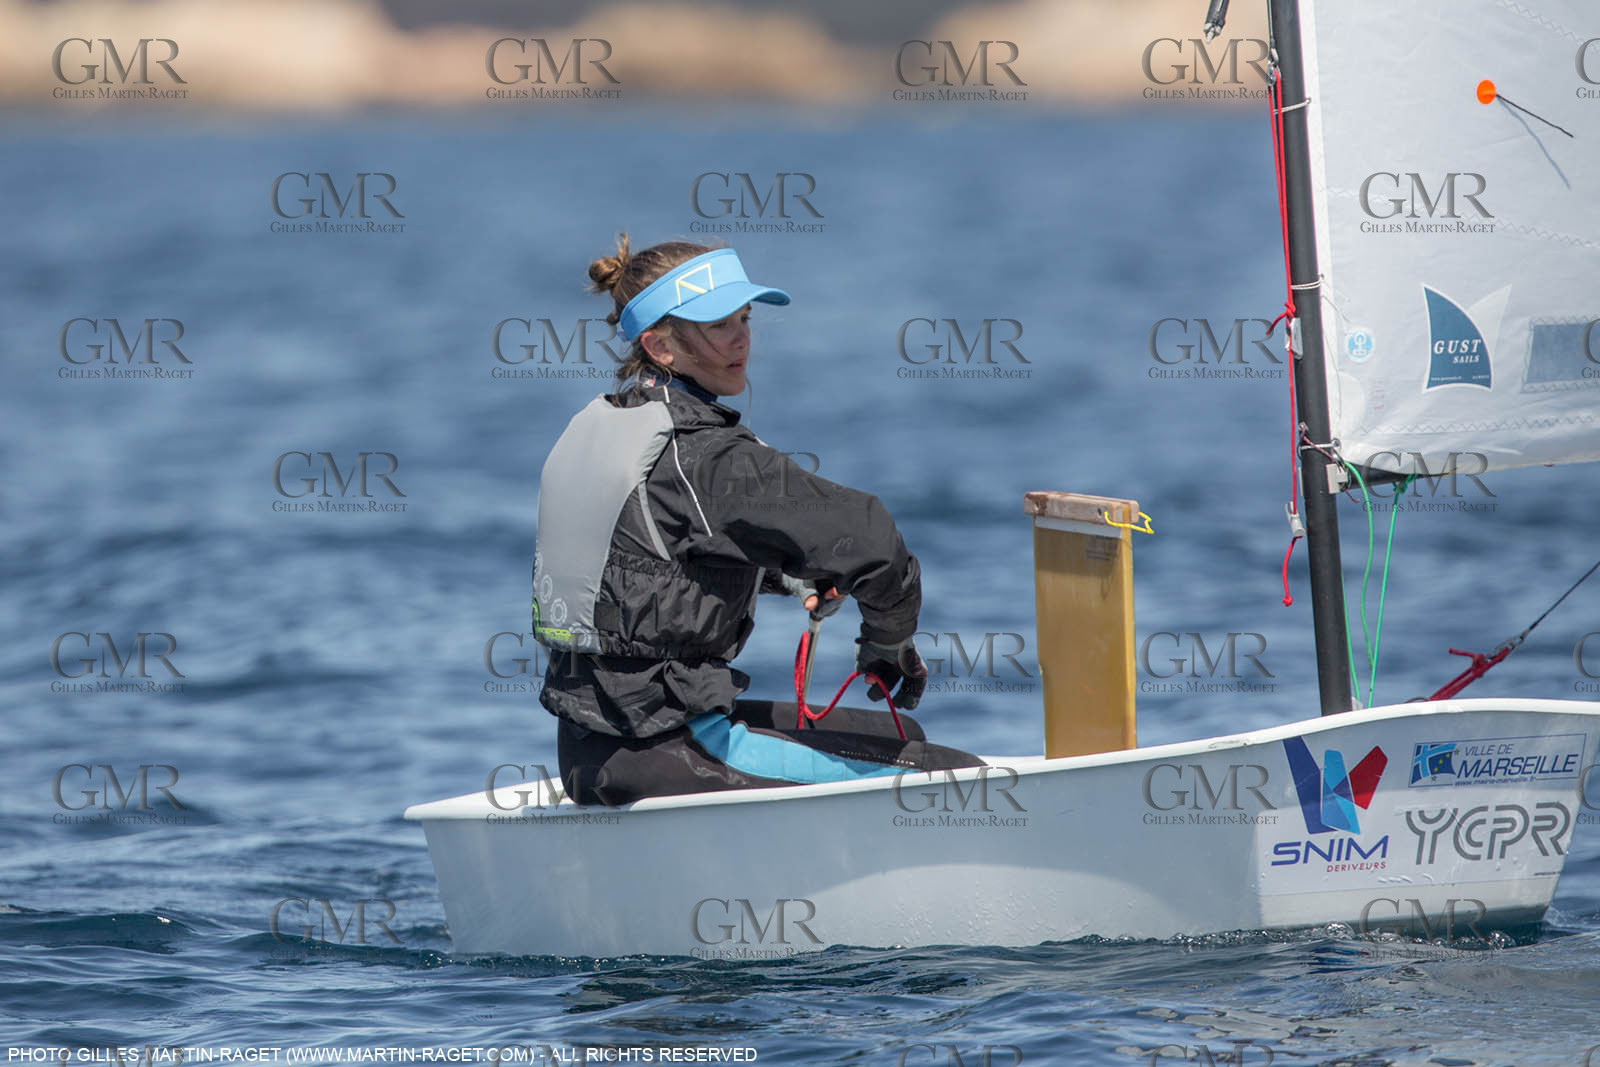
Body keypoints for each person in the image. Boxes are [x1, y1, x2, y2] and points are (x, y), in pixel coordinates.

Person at [532, 234, 983, 805]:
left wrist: (796, 577)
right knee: (957, 780)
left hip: (591, 744)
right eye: (720, 325)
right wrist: (887, 642)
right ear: (660, 346)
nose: (743, 338)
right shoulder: (707, 456)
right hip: (669, 741)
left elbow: (655, 559)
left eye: (744, 318)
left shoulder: (605, 426)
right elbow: (873, 539)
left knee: (900, 738)